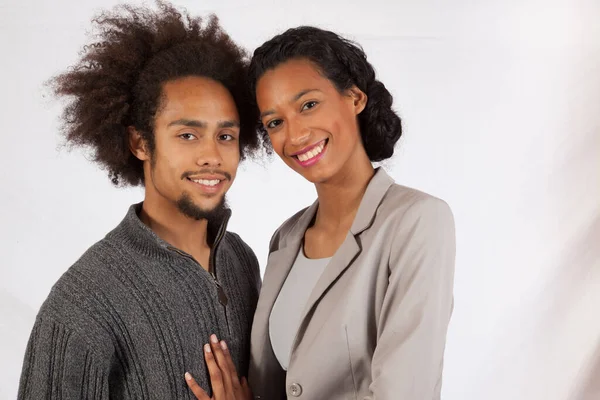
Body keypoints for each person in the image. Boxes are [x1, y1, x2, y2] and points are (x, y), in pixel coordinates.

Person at [195, 26, 456, 399]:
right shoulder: (285, 239)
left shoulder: (416, 221)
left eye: (308, 105)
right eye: (275, 122)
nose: (296, 135)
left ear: (354, 97)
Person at [17, 2, 261, 399]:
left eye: (226, 135)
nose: (212, 156)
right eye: (187, 135)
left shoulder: (240, 259)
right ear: (140, 142)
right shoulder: (84, 303)